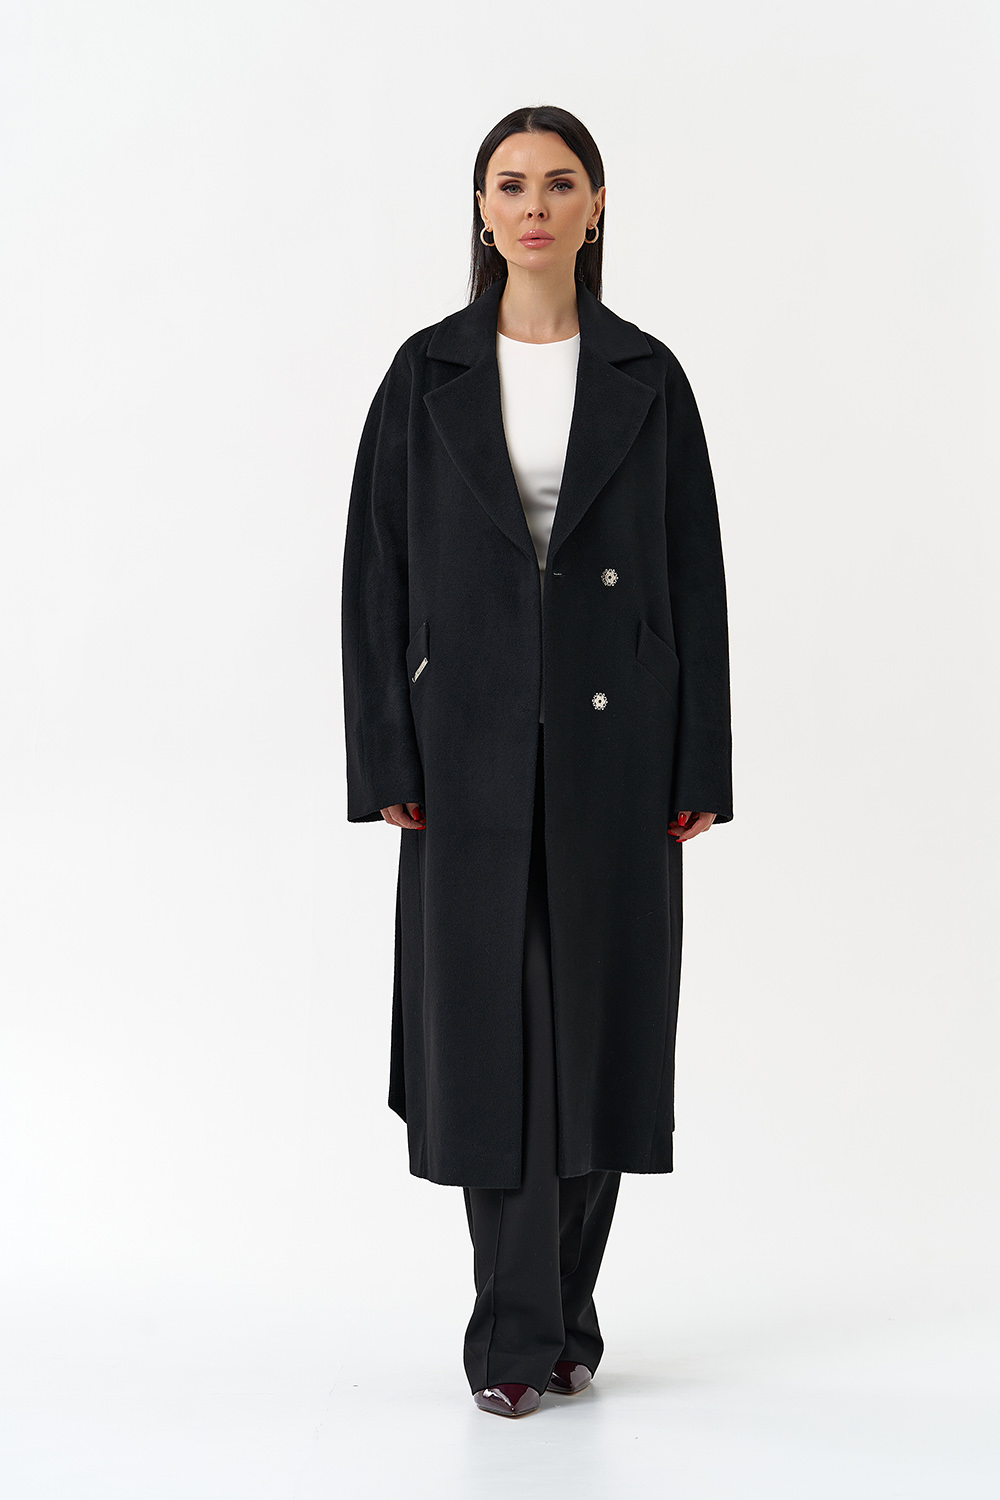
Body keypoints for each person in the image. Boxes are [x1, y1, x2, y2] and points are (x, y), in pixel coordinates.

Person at [340, 105, 732, 1419]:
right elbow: (377, 574)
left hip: (621, 754)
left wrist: (702, 759)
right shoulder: (426, 374)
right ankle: (518, 1336)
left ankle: (564, 1313)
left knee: (600, 1036)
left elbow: (694, 575)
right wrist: (385, 753)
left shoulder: (648, 375)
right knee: (494, 1040)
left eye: (560, 184)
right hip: (467, 753)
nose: (534, 207)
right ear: (482, 208)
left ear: (597, 206)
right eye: (510, 185)